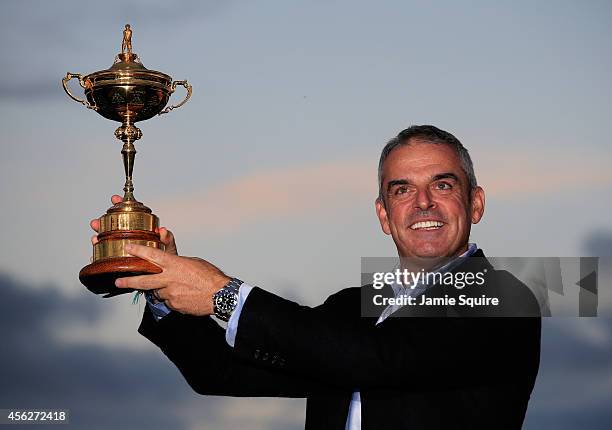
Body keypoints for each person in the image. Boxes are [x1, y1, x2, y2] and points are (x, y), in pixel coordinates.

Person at [90, 125, 541, 429]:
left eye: (443, 185)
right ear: (384, 215)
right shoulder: (350, 307)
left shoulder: (506, 296)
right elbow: (223, 373)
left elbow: (374, 359)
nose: (423, 203)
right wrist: (162, 284)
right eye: (402, 190)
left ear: (476, 203)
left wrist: (223, 294)